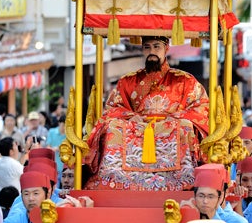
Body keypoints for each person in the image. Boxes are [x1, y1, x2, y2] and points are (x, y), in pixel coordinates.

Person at [84, 35, 209, 191]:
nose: (152, 51)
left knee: (185, 126)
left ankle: (183, 178)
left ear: (166, 49)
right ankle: (116, 178)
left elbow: (200, 107)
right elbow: (113, 108)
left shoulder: (185, 80)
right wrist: (131, 116)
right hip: (137, 127)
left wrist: (174, 118)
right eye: (147, 47)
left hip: (171, 127)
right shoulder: (128, 81)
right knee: (113, 127)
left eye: (157, 47)